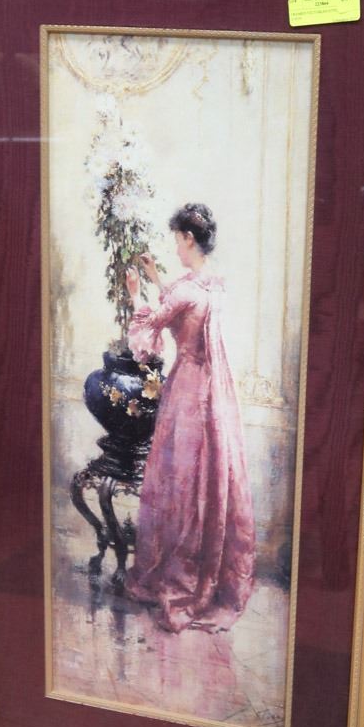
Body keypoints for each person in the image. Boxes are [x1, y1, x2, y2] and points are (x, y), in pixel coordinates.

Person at [124, 203, 255, 633]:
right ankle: (204, 572)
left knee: (178, 480)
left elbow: (150, 329)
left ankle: (176, 574)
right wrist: (155, 277)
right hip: (212, 392)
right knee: (200, 479)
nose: (175, 248)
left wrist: (134, 292)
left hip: (186, 393)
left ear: (188, 239)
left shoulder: (188, 292)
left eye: (177, 240)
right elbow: (184, 311)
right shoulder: (211, 285)